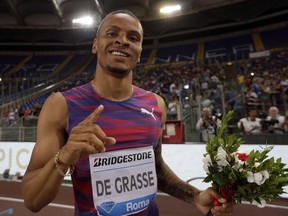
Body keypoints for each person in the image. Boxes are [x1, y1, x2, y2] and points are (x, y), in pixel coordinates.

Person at [22, 10, 234, 216]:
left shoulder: (156, 104)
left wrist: (195, 196)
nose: (123, 41)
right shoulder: (62, 105)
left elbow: (156, 168)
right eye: (112, 33)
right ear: (95, 45)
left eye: (133, 37)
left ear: (140, 51)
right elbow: (33, 201)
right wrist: (66, 154)